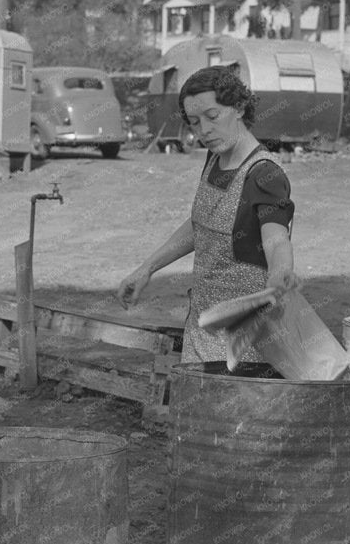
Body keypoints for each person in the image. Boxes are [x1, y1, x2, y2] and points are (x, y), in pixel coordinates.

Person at [116, 67, 298, 364]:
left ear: (239, 108)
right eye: (194, 123)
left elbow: (277, 241)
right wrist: (146, 269)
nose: (204, 131)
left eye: (212, 117)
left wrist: (279, 280)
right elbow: (202, 225)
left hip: (245, 347)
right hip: (201, 329)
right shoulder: (214, 159)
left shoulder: (265, 174)